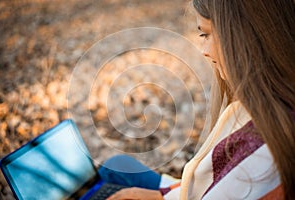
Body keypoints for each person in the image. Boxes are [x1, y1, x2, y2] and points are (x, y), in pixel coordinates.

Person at [99, 0, 295, 199]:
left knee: (112, 173)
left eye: (206, 34)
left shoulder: (263, 149)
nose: (204, 50)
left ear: (247, 37)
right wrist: (161, 195)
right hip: (187, 192)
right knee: (117, 166)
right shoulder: (270, 111)